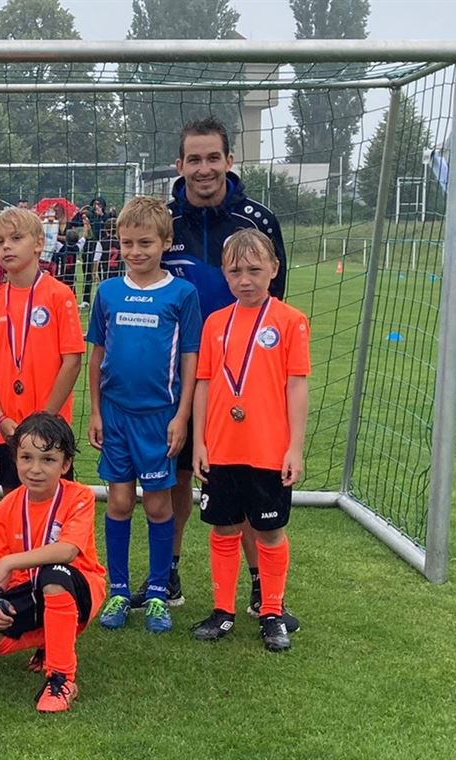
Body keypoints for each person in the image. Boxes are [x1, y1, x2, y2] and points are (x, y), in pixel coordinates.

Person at [158, 116, 297, 630]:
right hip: (175, 376)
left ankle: (262, 588)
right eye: (194, 159)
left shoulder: (257, 220)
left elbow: (274, 305)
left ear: (229, 161)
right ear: (180, 165)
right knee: (176, 476)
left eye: (213, 157)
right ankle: (168, 574)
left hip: (242, 381)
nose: (204, 168)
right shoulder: (165, 220)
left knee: (250, 476)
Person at [85, 196, 202, 634]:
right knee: (118, 502)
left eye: (146, 243)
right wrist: (96, 412)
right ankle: (118, 590)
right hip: (116, 416)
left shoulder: (182, 294)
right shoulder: (108, 292)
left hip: (159, 418)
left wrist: (181, 416)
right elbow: (97, 356)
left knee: (156, 504)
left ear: (166, 243)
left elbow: (190, 358)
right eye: (128, 243)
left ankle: (156, 592)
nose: (135, 251)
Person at [190, 229, 309, 652]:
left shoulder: (291, 321)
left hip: (268, 449)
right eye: (235, 271)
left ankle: (271, 611)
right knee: (224, 526)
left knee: (269, 530)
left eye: (255, 270)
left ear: (274, 269)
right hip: (222, 447)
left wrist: (294, 447)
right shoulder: (215, 323)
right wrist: (200, 442)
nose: (245, 280)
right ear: (224, 273)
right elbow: (204, 384)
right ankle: (223, 610)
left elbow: (297, 386)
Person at [0, 413, 105, 714]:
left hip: (78, 586)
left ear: (65, 465)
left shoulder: (80, 497)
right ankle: (53, 640)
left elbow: (68, 551)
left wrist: (9, 561)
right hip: (31, 588)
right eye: (26, 458)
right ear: (15, 459)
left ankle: (62, 678)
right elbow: (4, 578)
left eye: (48, 460)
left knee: (54, 577)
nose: (35, 469)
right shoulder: (6, 507)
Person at [0, 206, 85, 495]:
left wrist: (45, 418)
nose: (6, 246)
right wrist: (0, 418)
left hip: (50, 427)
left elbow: (72, 361)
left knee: (53, 505)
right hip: (8, 430)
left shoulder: (60, 295)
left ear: (38, 244)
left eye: (16, 238)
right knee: (11, 502)